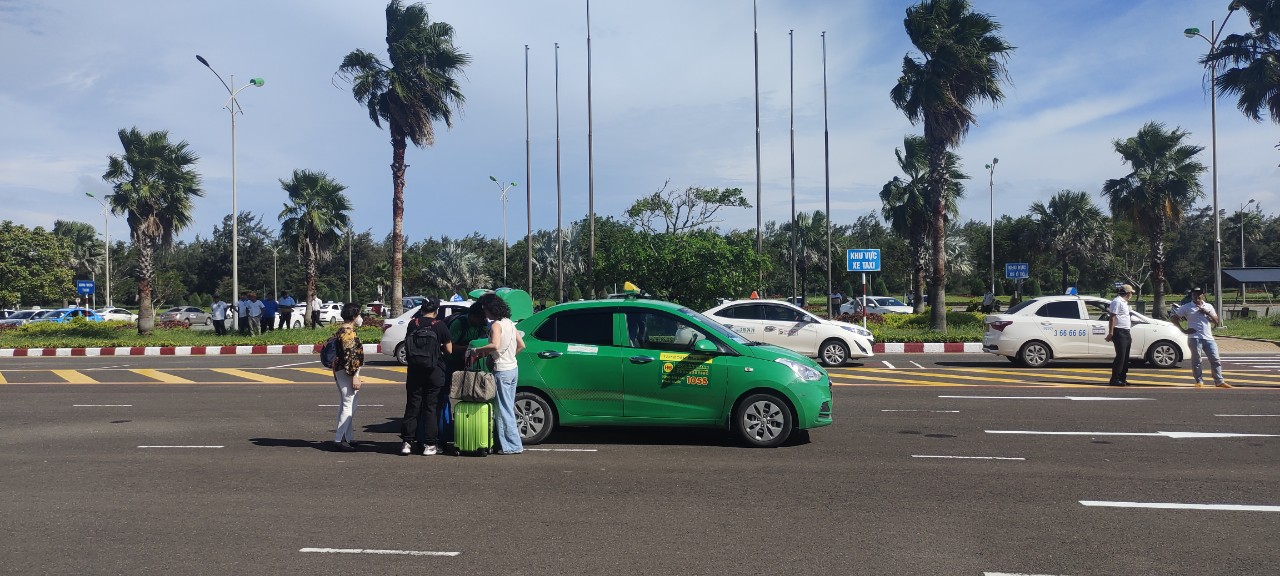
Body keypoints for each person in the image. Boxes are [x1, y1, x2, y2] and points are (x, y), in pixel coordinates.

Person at [472, 293, 526, 455]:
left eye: (485, 309)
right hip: (513, 368)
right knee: (508, 407)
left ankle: (512, 446)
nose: (484, 312)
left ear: (491, 309)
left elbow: (494, 345)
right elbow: (521, 345)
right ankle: (510, 443)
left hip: (502, 370)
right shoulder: (509, 322)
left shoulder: (496, 326)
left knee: (502, 409)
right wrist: (509, 356)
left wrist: (476, 350)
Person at [399, 298, 453, 456]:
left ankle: (407, 442)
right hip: (434, 372)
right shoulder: (440, 325)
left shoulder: (412, 324)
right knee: (431, 407)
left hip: (415, 371)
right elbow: (449, 350)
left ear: (421, 310)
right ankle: (429, 445)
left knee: (413, 406)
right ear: (436, 311)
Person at [1172, 287, 1230, 389]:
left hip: (1208, 338)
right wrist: (1183, 330)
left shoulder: (1208, 306)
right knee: (1197, 360)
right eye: (1194, 294)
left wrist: (1206, 312)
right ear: (1192, 295)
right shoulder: (1187, 307)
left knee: (1215, 359)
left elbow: (1216, 321)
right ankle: (1199, 381)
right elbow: (1174, 318)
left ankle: (1219, 381)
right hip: (1194, 337)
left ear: (1203, 295)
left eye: (1199, 294)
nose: (1197, 296)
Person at [330, 302, 364, 452]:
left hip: (339, 370)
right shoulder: (349, 333)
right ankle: (339, 439)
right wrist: (355, 376)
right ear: (355, 316)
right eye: (359, 315)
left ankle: (348, 437)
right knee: (347, 404)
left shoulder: (341, 330)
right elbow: (351, 358)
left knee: (348, 402)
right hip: (347, 372)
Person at [1104, 284, 1135, 386]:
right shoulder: (1117, 301)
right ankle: (1115, 379)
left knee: (1126, 357)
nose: (1131, 295)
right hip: (1119, 331)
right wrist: (1111, 332)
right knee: (1120, 356)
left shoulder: (1124, 302)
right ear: (1128, 293)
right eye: (1131, 293)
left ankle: (1122, 378)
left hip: (1126, 331)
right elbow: (1112, 317)